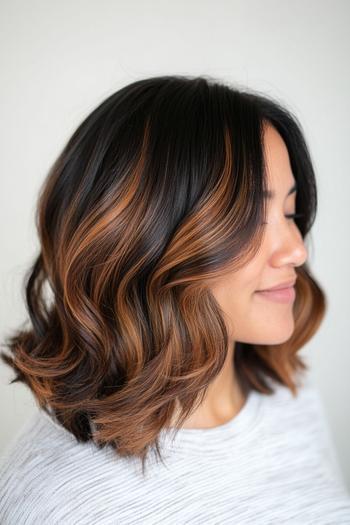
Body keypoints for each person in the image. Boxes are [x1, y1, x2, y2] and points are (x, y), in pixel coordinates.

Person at [0, 75, 349, 524]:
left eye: (289, 212)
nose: (297, 249)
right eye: (249, 219)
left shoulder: (288, 390)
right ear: (143, 240)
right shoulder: (57, 500)